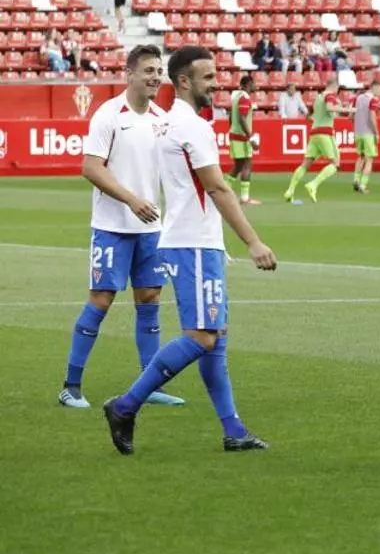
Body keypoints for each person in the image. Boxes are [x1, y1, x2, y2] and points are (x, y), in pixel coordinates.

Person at [102, 46, 278, 455]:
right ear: (184, 81)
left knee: (216, 338)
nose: (216, 84)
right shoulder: (191, 127)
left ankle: (233, 430)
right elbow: (217, 187)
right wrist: (253, 241)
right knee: (201, 336)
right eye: (208, 77)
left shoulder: (169, 123)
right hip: (193, 243)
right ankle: (125, 406)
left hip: (194, 240)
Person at [58, 46, 185, 410]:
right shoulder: (109, 115)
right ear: (129, 74)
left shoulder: (162, 119)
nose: (155, 77)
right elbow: (90, 167)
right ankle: (71, 386)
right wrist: (131, 200)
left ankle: (149, 384)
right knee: (101, 300)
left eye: (158, 71)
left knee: (150, 299)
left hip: (151, 229)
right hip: (112, 225)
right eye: (148, 70)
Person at [283, 76, 351, 203]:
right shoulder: (330, 95)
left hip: (314, 133)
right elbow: (330, 108)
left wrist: (337, 109)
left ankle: (290, 190)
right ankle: (313, 184)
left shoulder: (318, 97)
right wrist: (347, 109)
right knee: (335, 163)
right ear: (335, 86)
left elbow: (310, 116)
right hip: (325, 133)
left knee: (305, 164)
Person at [226, 74, 260, 206]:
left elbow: (231, 117)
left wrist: (232, 130)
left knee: (238, 166)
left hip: (234, 135)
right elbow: (242, 118)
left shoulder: (235, 96)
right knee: (247, 166)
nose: (255, 86)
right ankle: (245, 198)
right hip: (242, 137)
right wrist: (250, 137)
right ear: (249, 84)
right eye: (253, 83)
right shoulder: (245, 98)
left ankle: (224, 190)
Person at [352, 81, 380, 194]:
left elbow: (351, 115)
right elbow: (372, 117)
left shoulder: (358, 98)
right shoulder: (373, 99)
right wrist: (377, 133)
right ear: (374, 87)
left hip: (358, 133)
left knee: (361, 157)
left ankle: (356, 179)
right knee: (369, 159)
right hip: (368, 133)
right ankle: (362, 185)